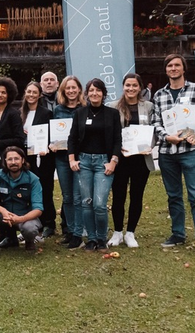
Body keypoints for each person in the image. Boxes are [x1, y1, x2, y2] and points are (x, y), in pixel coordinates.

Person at [152, 54, 195, 255]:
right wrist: (166, 136)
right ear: (166, 70)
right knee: (173, 196)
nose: (173, 68)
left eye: (177, 65)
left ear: (184, 68)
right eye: (170, 65)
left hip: (190, 152)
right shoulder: (159, 95)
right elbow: (155, 122)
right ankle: (178, 234)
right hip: (167, 152)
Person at [68, 78, 122, 252]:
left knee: (99, 204)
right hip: (83, 162)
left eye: (98, 90)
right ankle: (91, 239)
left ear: (103, 93)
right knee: (86, 203)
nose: (94, 93)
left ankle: (101, 237)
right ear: (87, 93)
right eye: (91, 90)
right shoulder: (80, 113)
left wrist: (113, 161)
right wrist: (72, 159)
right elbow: (72, 138)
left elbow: (117, 140)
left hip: (103, 163)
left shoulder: (112, 114)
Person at [107, 73, 155, 248]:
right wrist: (115, 148)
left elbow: (154, 130)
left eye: (135, 85)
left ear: (140, 87)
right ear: (123, 86)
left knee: (136, 196)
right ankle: (117, 232)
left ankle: (130, 233)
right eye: (128, 85)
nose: (131, 88)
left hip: (141, 159)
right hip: (120, 159)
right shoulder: (113, 106)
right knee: (118, 196)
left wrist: (150, 145)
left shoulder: (148, 106)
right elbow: (109, 132)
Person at [0, 146, 43, 259]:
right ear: (5, 161)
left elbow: (38, 209)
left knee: (30, 229)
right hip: (5, 216)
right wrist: (3, 211)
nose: (13, 162)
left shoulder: (33, 179)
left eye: (16, 159)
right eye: (10, 159)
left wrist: (20, 219)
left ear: (22, 160)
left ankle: (29, 241)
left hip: (24, 217)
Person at [20, 80, 57, 238]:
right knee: (28, 191)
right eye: (29, 92)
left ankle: (49, 223)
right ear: (25, 93)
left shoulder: (46, 113)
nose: (31, 95)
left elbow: (51, 135)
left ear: (40, 95)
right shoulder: (20, 113)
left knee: (45, 190)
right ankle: (33, 223)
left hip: (43, 157)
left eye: (34, 92)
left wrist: (46, 146)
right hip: (26, 157)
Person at [53, 76, 85, 248]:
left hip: (81, 158)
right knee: (67, 197)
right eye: (68, 88)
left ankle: (79, 231)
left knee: (79, 197)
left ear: (79, 89)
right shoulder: (58, 110)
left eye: (74, 88)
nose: (71, 91)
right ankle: (71, 231)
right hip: (62, 158)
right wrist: (52, 143)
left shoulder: (86, 109)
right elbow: (54, 132)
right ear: (63, 91)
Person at [0, 77, 25, 183]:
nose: (0, 95)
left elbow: (19, 139)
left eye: (3, 92)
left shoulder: (13, 114)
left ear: (9, 95)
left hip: (4, 159)